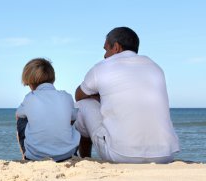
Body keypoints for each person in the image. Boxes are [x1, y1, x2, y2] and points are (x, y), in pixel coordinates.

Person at [74, 27, 180, 163]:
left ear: (116, 47)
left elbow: (79, 95)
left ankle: (85, 158)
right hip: (165, 155)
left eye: (106, 49)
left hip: (122, 155)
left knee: (84, 104)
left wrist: (98, 98)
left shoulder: (102, 67)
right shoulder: (156, 67)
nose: (105, 55)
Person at [16, 58, 80, 161]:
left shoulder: (30, 97)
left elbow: (18, 114)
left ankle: (25, 156)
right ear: (52, 78)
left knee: (21, 119)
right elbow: (74, 117)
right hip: (67, 155)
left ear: (30, 82)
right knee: (72, 117)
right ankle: (66, 147)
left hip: (36, 157)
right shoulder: (66, 96)